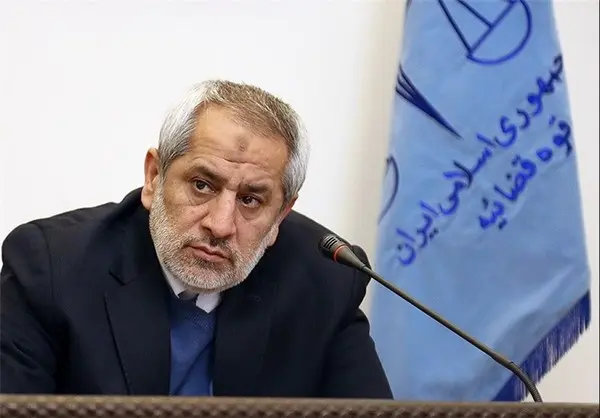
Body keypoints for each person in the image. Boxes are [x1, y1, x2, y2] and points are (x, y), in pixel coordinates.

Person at [0, 80, 392, 398]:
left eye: (251, 200)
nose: (220, 226)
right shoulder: (51, 268)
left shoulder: (325, 281)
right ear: (154, 178)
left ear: (281, 215)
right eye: (202, 185)